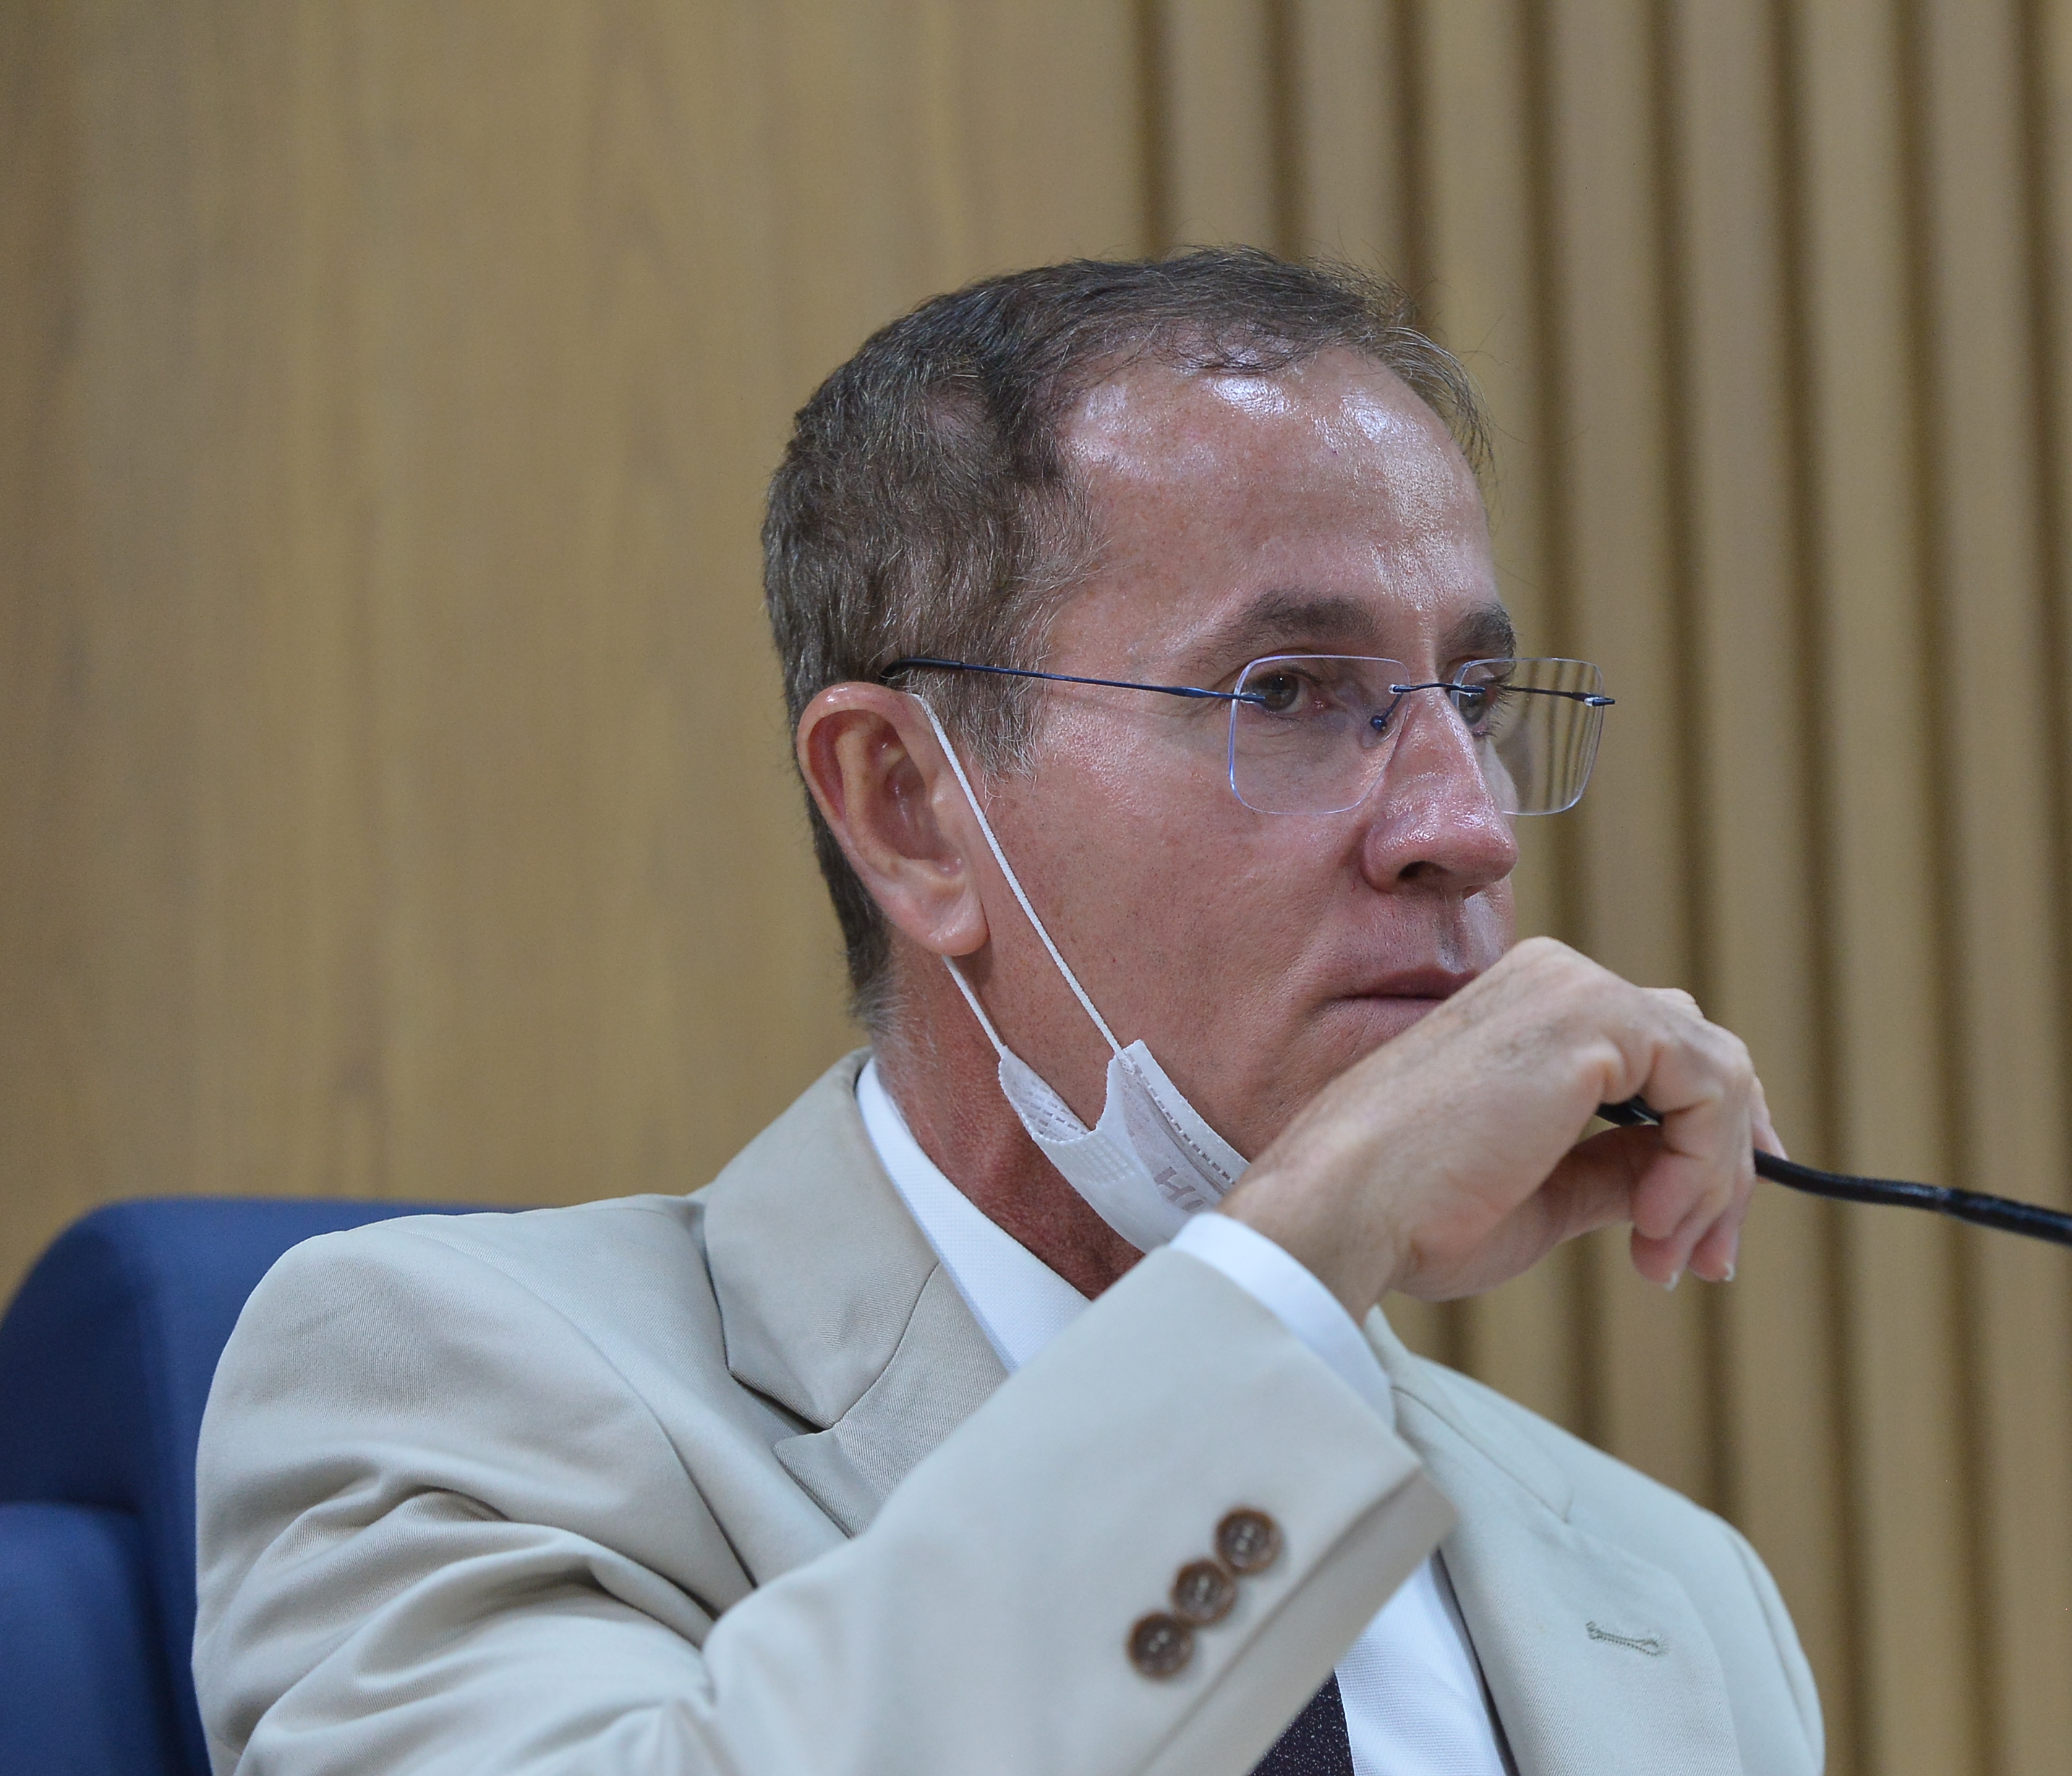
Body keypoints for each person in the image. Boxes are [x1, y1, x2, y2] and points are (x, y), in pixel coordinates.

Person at [193, 249, 1823, 1775]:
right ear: (909, 809)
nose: (1464, 827)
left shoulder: (1674, 1591)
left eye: (1468, 698)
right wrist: (1304, 1254)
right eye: (1287, 694)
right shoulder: (453, 1387)